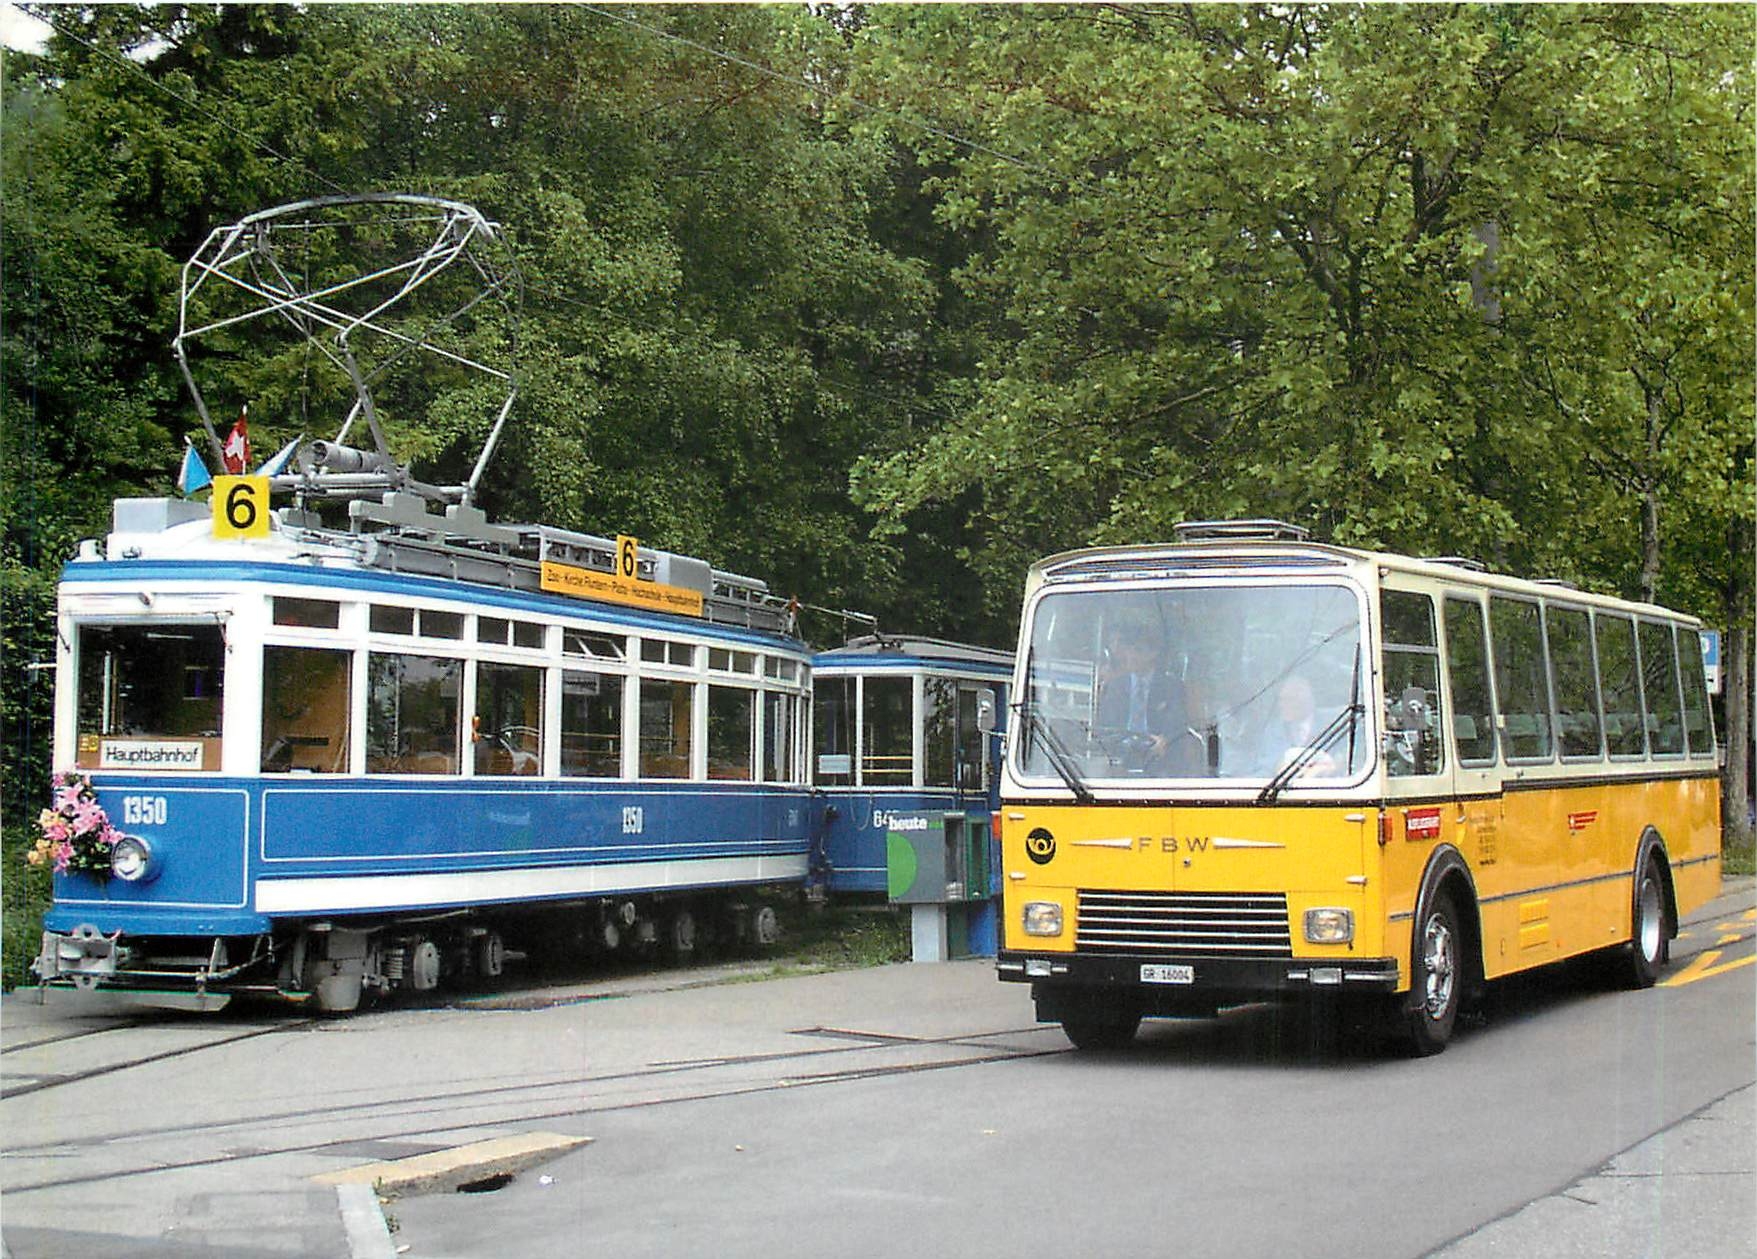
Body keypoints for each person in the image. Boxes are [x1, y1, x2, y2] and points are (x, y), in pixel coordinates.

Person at [1094, 615, 1201, 775]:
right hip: (1119, 758)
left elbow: (1177, 722)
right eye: (1129, 649)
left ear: (1154, 654)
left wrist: (1165, 740)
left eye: (1138, 650)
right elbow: (1105, 725)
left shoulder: (1171, 686)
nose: (1131, 656)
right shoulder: (1115, 686)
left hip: (1159, 759)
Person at [1252, 675, 1340, 777]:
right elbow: (1265, 765)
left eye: (1289, 699)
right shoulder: (1274, 730)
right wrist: (1278, 767)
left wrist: (1325, 769)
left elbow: (1347, 758)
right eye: (1281, 699)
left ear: (1307, 699)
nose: (1282, 705)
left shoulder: (1335, 723)